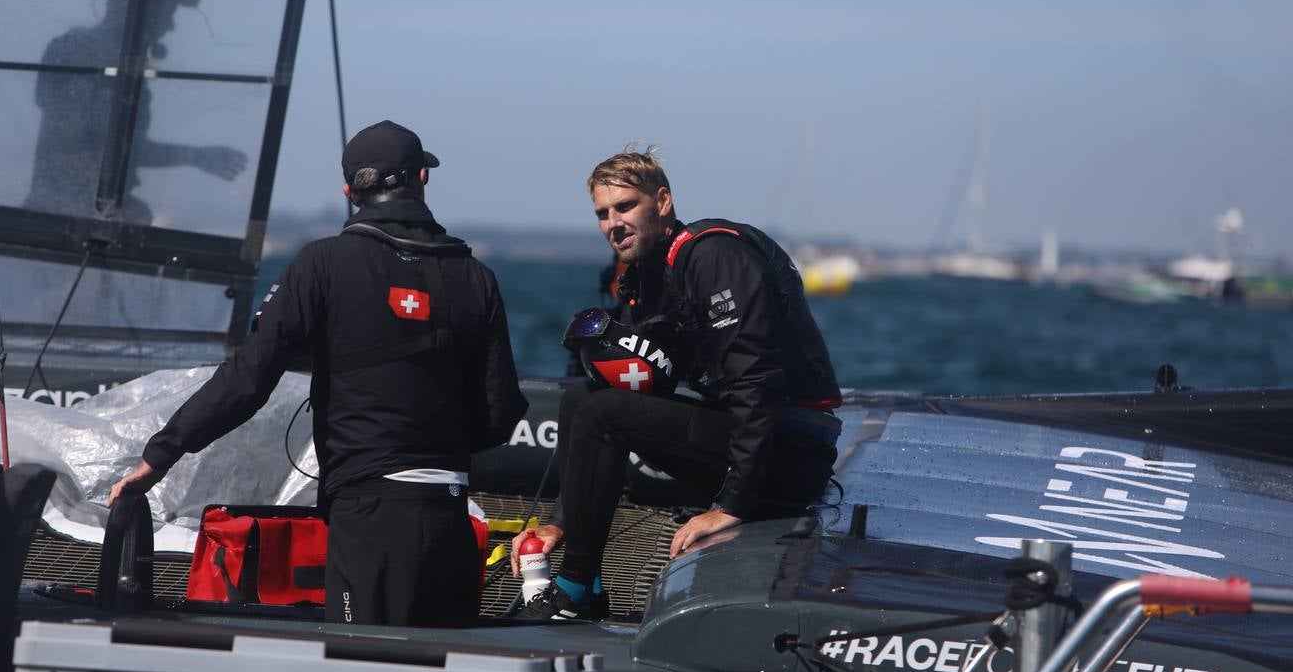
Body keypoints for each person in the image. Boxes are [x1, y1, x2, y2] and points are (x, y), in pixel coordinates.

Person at [109, 121, 528, 626]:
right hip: (451, 519)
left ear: (350, 192)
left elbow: (249, 378)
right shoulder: (477, 277)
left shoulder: (323, 263)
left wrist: (160, 455)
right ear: (422, 178)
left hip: (369, 517)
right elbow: (500, 415)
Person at [511, 145, 843, 620]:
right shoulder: (648, 278)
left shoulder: (713, 255)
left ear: (662, 202)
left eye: (626, 207)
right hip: (746, 438)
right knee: (584, 398)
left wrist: (731, 505)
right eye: (603, 214)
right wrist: (561, 521)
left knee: (603, 413)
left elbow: (757, 382)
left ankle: (575, 588)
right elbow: (644, 388)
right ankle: (584, 569)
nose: (613, 223)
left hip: (794, 451)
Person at [25, 0, 247, 224]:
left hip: (80, 224)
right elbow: (105, 143)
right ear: (142, 6)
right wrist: (196, 156)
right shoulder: (83, 52)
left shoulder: (101, 56)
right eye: (168, 10)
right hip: (63, 227)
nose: (171, 26)